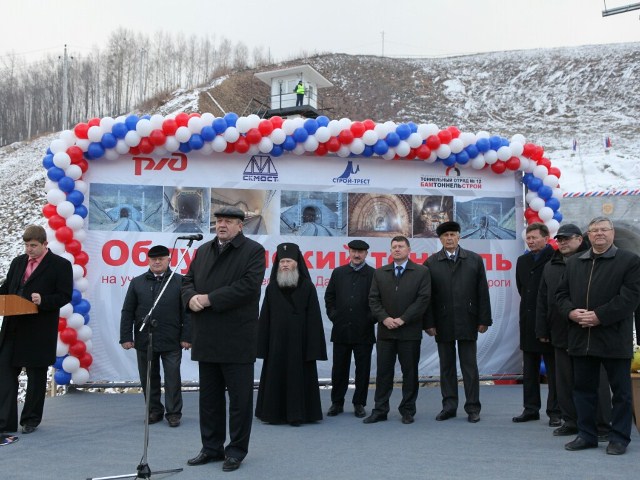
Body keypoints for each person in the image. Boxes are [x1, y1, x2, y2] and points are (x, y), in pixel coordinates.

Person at [182, 206, 265, 473]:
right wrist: (190, 298)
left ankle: (236, 450)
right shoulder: (203, 250)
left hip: (236, 337)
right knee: (209, 399)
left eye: (228, 221)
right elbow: (187, 281)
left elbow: (247, 287)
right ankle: (211, 447)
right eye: (219, 221)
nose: (222, 225)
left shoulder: (253, 251)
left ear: (241, 226)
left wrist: (208, 299)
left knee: (239, 401)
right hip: (206, 335)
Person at [557, 216, 640, 455]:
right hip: (581, 338)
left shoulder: (630, 261)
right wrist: (571, 312)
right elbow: (560, 296)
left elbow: (630, 298)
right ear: (587, 236)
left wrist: (599, 316)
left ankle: (620, 438)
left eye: (604, 229)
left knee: (621, 393)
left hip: (614, 338)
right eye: (594, 230)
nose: (599, 234)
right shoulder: (573, 263)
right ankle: (586, 434)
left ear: (612, 233)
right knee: (583, 390)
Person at [535, 224, 611, 439]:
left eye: (567, 239)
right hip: (559, 332)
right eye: (559, 239)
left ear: (580, 239)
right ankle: (571, 421)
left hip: (589, 331)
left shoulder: (593, 260)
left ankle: (602, 425)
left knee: (595, 381)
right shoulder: (550, 265)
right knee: (564, 381)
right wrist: (542, 328)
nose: (563, 243)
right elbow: (543, 299)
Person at [0, 225, 72, 444]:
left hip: (38, 331)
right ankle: (5, 423)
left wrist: (44, 300)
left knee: (36, 377)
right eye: (26, 245)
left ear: (44, 244)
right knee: (5, 374)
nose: (29, 250)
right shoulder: (18, 263)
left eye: (33, 246)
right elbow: (7, 289)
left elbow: (64, 295)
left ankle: (30, 419)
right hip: (12, 328)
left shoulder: (60, 265)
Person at [424, 221, 492, 423]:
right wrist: (429, 322)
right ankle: (449, 406)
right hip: (442, 321)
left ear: (459, 236)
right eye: (445, 236)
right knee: (446, 367)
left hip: (468, 320)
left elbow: (482, 292)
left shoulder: (473, 259)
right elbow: (427, 297)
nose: (449, 238)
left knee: (469, 366)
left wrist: (483, 319)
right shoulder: (431, 263)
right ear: (440, 239)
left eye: (453, 234)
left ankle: (473, 408)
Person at [255, 242, 327, 426]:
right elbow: (265, 318)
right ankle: (273, 414)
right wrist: (262, 345)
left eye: (288, 261)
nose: (285, 264)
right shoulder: (271, 288)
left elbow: (314, 319)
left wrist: (313, 347)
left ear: (296, 263)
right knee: (275, 375)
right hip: (276, 342)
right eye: (281, 261)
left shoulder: (308, 287)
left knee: (299, 376)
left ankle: (298, 414)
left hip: (299, 344)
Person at [120, 244, 191, 428]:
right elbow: (128, 311)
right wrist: (126, 336)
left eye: (161, 259)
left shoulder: (180, 281)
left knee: (173, 377)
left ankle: (174, 413)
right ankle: (153, 411)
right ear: (148, 260)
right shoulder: (137, 282)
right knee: (148, 377)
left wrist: (187, 336)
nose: (157, 262)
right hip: (145, 339)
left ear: (169, 260)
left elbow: (187, 313)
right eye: (154, 259)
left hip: (172, 339)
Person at [364, 236, 431, 425]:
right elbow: (373, 300)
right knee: (383, 373)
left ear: (409, 249)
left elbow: (423, 299)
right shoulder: (380, 273)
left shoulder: (421, 272)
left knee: (410, 373)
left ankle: (408, 410)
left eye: (401, 246)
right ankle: (380, 410)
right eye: (394, 247)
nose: (397, 249)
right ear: (390, 250)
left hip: (409, 332)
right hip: (386, 332)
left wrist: (403, 319)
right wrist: (384, 318)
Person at [513, 222, 560, 425]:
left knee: (554, 370)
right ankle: (530, 409)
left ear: (546, 237)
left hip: (550, 322)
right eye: (528, 239)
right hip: (528, 321)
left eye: (534, 238)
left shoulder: (556, 259)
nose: (531, 242)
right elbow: (522, 289)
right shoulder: (522, 261)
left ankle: (555, 411)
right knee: (529, 369)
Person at [324, 239, 375, 419]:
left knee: (363, 369)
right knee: (339, 368)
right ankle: (336, 402)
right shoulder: (338, 273)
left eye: (360, 252)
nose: (356, 255)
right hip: (341, 329)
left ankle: (359, 403)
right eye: (353, 251)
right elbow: (329, 297)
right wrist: (334, 316)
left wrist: (370, 319)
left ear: (366, 254)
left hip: (364, 330)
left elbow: (378, 301)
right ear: (349, 252)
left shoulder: (373, 274)